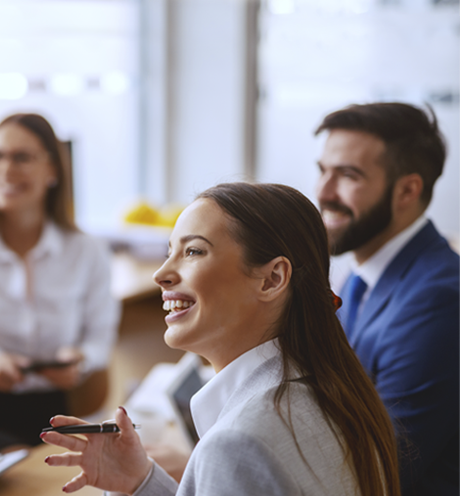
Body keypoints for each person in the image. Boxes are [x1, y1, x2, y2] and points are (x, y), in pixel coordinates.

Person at [41, 182, 401, 496]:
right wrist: (141, 481)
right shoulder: (326, 391)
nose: (162, 274)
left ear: (272, 279)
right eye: (170, 252)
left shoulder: (239, 443)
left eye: (193, 251)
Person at [314, 102, 459, 496]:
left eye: (347, 175)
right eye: (322, 171)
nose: (323, 192)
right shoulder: (359, 277)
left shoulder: (438, 299)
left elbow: (381, 464)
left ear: (408, 190)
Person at [0, 113, 119, 448]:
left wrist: (80, 360)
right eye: (0, 156)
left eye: (21, 157)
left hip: (57, 412)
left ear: (52, 170)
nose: (7, 169)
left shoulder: (87, 251)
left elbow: (101, 338)